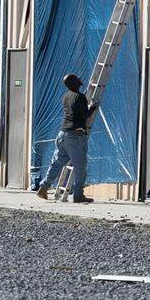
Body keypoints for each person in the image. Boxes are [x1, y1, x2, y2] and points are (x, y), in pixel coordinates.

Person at [36, 74, 97, 203]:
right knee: (80, 166)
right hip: (75, 136)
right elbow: (85, 115)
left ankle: (43, 187)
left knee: (57, 162)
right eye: (76, 78)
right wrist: (93, 107)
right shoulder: (80, 97)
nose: (80, 78)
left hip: (62, 134)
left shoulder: (66, 96)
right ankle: (78, 194)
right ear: (74, 82)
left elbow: (76, 108)